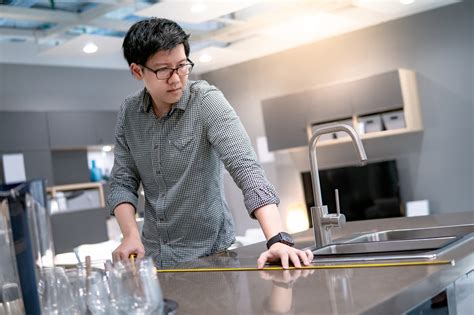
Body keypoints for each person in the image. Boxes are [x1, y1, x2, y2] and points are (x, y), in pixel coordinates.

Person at [108, 17, 313, 268]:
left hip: (212, 258)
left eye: (182, 66)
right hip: (155, 260)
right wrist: (130, 235)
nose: (176, 79)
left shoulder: (206, 102)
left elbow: (246, 169)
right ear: (137, 71)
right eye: (163, 70)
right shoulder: (129, 113)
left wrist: (278, 239)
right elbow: (122, 182)